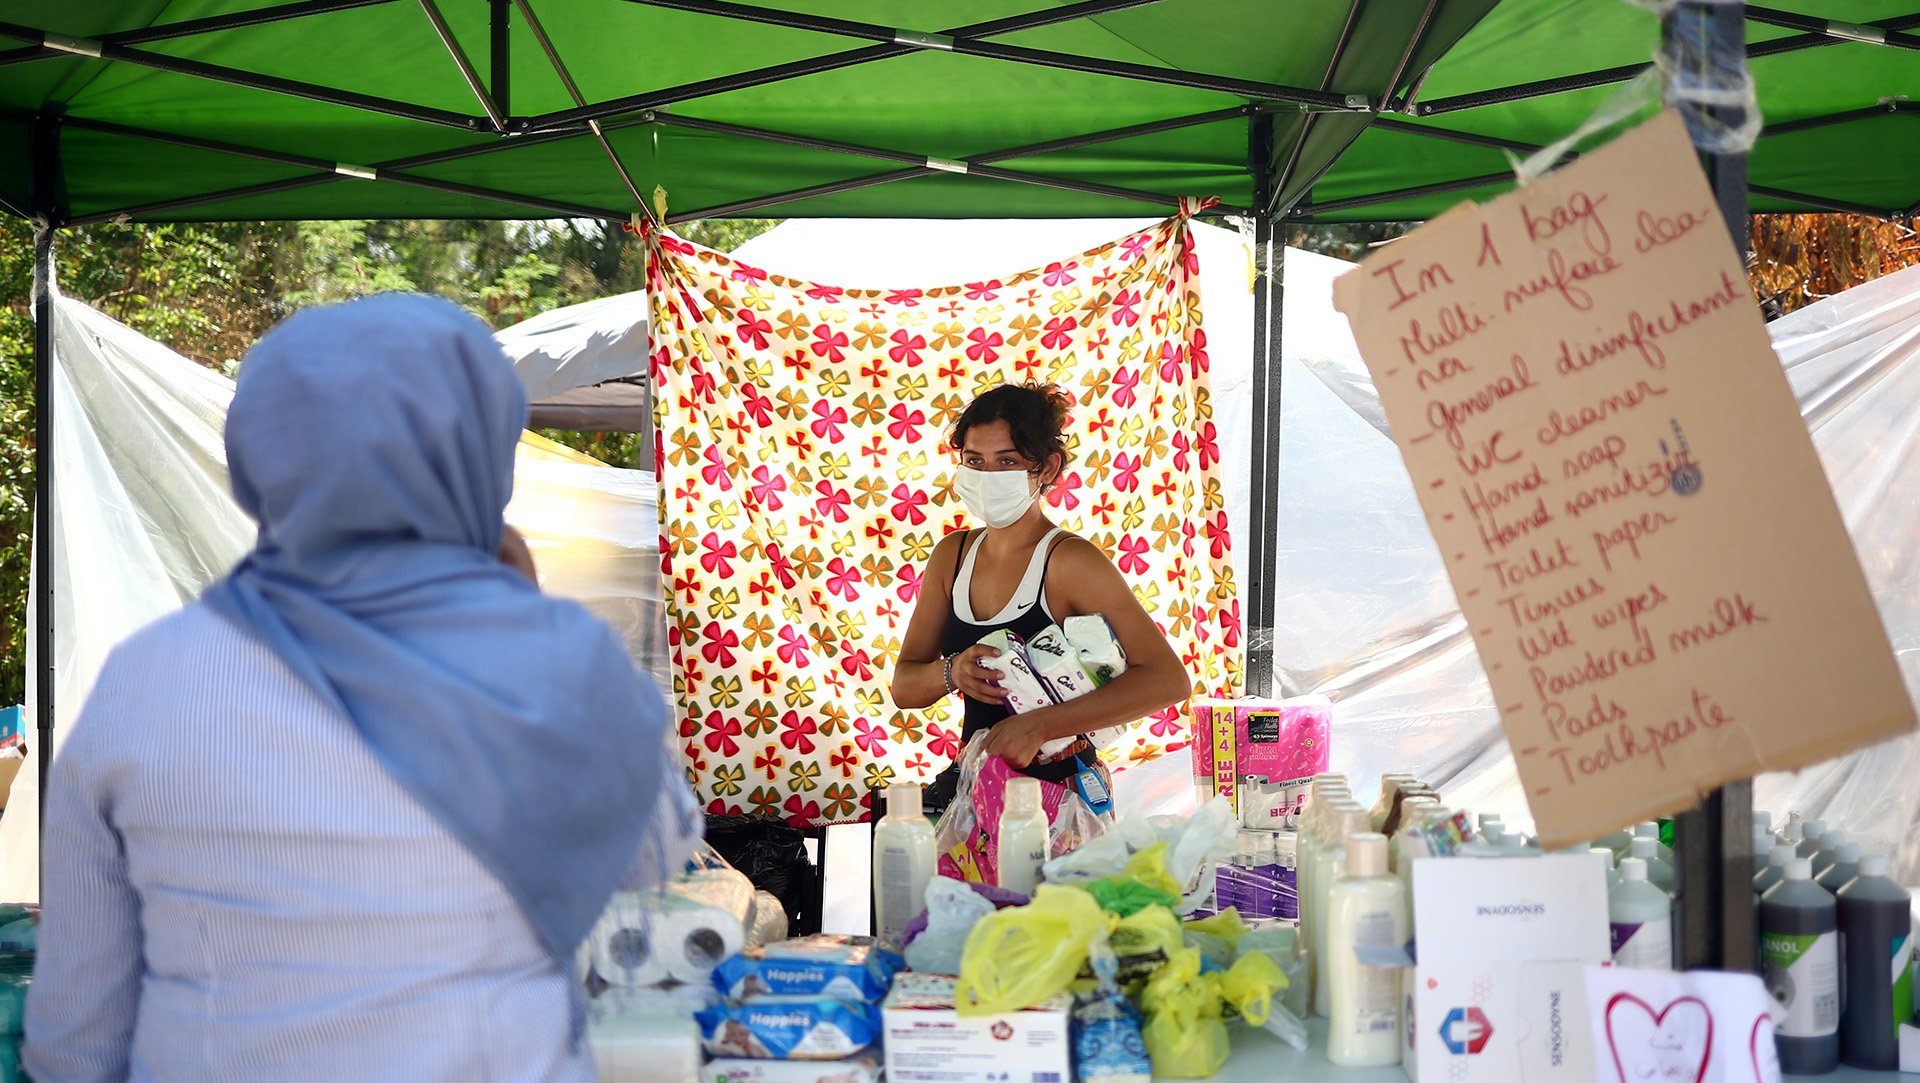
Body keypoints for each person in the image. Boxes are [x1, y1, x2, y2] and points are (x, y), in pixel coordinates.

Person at [26, 295, 699, 1082]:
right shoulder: (561, 663)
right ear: (485, 453)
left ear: (260, 456)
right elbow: (656, 860)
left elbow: (77, 1036)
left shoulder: (147, 679)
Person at [890, 382, 1192, 808]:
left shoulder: (1069, 562)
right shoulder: (951, 558)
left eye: (1007, 462)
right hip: (980, 789)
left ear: (1047, 469)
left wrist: (1041, 725)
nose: (987, 477)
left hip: (1064, 798)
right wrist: (952, 672)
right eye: (974, 461)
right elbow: (904, 687)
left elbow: (1168, 680)